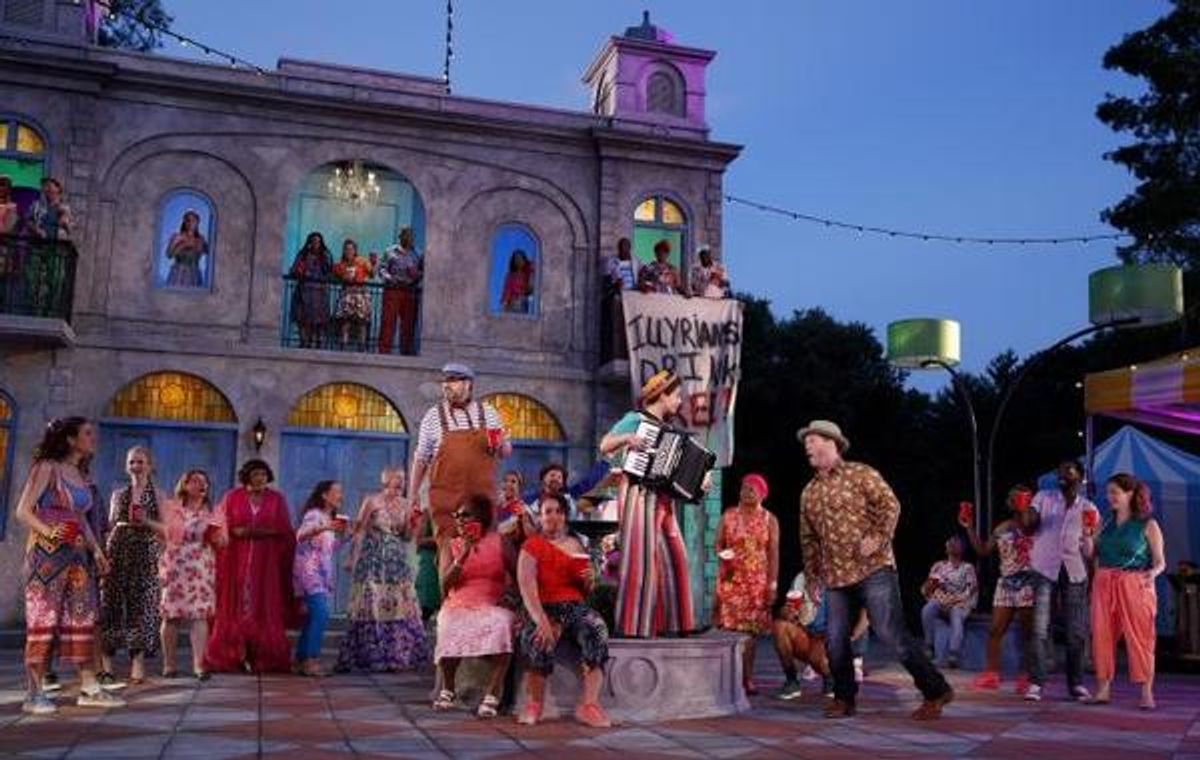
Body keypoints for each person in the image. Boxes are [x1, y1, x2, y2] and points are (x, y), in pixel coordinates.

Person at [798, 419, 953, 720]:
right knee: (835, 637)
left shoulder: (861, 474)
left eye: (813, 439)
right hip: (836, 575)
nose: (807, 445)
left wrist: (880, 537)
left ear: (832, 443)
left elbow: (890, 504)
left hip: (874, 568)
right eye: (806, 441)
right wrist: (813, 576)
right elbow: (808, 539)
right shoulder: (809, 493)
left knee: (889, 631)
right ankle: (844, 698)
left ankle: (936, 690)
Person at [15, 417, 125, 714]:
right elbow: (23, 511)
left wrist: (98, 552)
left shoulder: (80, 475)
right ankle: (33, 693)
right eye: (88, 433)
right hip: (46, 559)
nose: (93, 438)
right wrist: (48, 530)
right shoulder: (46, 468)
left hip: (78, 558)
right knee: (44, 620)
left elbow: (80, 519)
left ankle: (89, 687)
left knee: (82, 618)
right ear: (70, 439)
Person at [599, 370, 708, 637]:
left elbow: (677, 470)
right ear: (662, 395)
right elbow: (605, 445)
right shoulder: (635, 419)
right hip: (639, 493)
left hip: (663, 499)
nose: (680, 401)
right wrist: (628, 439)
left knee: (676, 555)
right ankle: (633, 625)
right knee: (641, 561)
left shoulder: (669, 430)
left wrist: (697, 483)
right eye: (677, 396)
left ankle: (679, 623)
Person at [516, 493, 612, 727]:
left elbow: (585, 590)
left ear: (565, 516)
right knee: (537, 638)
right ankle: (534, 704)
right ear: (539, 517)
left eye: (558, 511)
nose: (554, 517)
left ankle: (589, 705)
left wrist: (590, 579)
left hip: (574, 606)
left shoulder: (576, 544)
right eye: (548, 512)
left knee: (596, 628)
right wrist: (542, 621)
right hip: (543, 607)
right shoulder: (532, 546)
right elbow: (527, 587)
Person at [205, 459, 298, 674]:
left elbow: (284, 530)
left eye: (264, 475)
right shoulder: (232, 497)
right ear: (247, 476)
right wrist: (232, 533)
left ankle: (262, 656)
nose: (261, 478)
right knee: (237, 604)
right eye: (256, 474)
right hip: (235, 560)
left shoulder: (276, 499)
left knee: (261, 605)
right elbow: (218, 526)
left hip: (265, 563)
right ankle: (236, 654)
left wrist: (256, 532)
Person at [1083, 473, 1166, 709]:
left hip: (1134, 583)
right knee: (1101, 634)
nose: (1110, 497)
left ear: (1130, 494)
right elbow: (1090, 554)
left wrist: (1153, 573)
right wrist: (1086, 535)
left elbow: (1161, 561)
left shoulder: (1148, 524)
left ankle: (1146, 693)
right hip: (1104, 581)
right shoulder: (1104, 523)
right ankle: (1103, 689)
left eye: (1114, 493)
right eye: (1108, 493)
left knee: (1141, 638)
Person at [1020, 460, 1099, 703]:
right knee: (1041, 628)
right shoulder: (1043, 497)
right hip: (1045, 568)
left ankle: (1075, 683)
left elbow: (1090, 552)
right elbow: (1028, 525)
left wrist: (1087, 536)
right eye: (1060, 471)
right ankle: (1036, 682)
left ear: (1080, 477)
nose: (1063, 474)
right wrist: (1027, 510)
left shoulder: (1090, 508)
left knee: (1076, 631)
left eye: (1069, 470)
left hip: (1074, 571)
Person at [336, 468, 430, 672]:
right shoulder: (372, 500)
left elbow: (405, 536)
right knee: (372, 605)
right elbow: (360, 530)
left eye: (404, 479)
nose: (402, 483)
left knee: (398, 606)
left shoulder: (406, 504)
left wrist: (415, 524)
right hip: (373, 559)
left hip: (396, 561)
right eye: (398, 478)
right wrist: (352, 557)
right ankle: (369, 655)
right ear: (386, 479)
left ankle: (397, 655)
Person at [433, 494, 516, 719]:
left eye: (465, 514)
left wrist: (512, 596)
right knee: (448, 623)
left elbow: (520, 574)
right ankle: (448, 689)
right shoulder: (451, 545)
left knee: (502, 622)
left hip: (492, 602)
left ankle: (492, 694)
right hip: (458, 603)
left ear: (482, 517)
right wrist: (464, 554)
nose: (459, 519)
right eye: (456, 515)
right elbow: (445, 585)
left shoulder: (500, 541)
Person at [410, 363, 511, 545]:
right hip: (446, 504)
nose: (447, 385)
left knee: (484, 554)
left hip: (482, 503)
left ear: (468, 384)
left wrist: (502, 443)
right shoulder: (433, 416)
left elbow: (505, 452)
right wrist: (413, 495)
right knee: (449, 556)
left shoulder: (488, 413)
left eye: (454, 380)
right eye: (445, 381)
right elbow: (421, 458)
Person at [99, 445, 168, 687]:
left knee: (142, 606)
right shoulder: (118, 494)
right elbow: (109, 524)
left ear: (150, 465)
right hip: (118, 549)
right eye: (132, 462)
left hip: (145, 552)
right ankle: (106, 665)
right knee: (112, 604)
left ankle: (137, 662)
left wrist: (146, 520)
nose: (136, 466)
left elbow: (167, 530)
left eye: (140, 462)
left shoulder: (158, 494)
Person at [962, 485, 1036, 693]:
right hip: (1006, 583)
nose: (1016, 501)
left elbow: (1029, 526)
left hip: (1028, 582)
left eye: (1020, 498)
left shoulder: (1034, 523)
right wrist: (968, 527)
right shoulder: (1002, 527)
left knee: (1027, 632)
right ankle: (991, 674)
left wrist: (1026, 508)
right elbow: (983, 550)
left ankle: (1025, 676)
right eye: (1014, 498)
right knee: (995, 630)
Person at [714, 473, 779, 695]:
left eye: (751, 489)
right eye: (743, 488)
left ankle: (747, 678)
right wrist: (725, 556)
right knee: (730, 631)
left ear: (762, 493)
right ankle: (729, 678)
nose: (745, 493)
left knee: (750, 635)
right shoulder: (729, 515)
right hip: (732, 580)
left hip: (756, 584)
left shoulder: (769, 519)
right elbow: (718, 544)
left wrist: (772, 585)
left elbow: (773, 554)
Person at [158, 469, 222, 681]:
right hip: (176, 564)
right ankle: (169, 665)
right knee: (171, 615)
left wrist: (217, 536)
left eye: (204, 482)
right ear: (185, 485)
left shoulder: (214, 510)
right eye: (195, 481)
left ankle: (198, 665)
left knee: (199, 616)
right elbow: (163, 533)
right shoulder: (171, 507)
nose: (201, 485)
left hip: (201, 566)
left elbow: (224, 541)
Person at [293, 480, 347, 677]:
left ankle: (301, 659)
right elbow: (300, 536)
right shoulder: (314, 515)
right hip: (309, 571)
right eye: (337, 492)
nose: (341, 496)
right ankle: (311, 660)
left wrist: (345, 535)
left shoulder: (328, 517)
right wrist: (324, 527)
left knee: (314, 616)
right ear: (325, 495)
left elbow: (328, 549)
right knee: (321, 614)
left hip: (321, 574)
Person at [919, 537, 977, 669]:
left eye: (956, 544)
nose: (953, 546)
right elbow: (926, 589)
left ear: (962, 549)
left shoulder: (967, 567)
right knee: (928, 609)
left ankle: (953, 654)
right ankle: (929, 646)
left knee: (956, 613)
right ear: (946, 548)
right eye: (950, 544)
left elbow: (971, 589)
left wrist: (953, 601)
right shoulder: (939, 566)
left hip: (960, 603)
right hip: (942, 601)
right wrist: (931, 585)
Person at [774, 571, 832, 700]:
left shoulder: (842, 577)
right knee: (780, 626)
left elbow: (862, 612)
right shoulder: (802, 577)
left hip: (829, 638)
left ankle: (831, 679)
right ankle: (791, 680)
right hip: (807, 633)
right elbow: (787, 607)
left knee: (821, 658)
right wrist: (785, 612)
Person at [377, 227, 423, 354]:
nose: (410, 238)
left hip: (410, 291)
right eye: (406, 235)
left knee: (408, 324)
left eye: (412, 236)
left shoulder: (418, 254)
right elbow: (381, 269)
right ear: (400, 236)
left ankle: (406, 351)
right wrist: (390, 278)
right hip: (393, 289)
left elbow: (424, 272)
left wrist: (416, 274)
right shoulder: (390, 251)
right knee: (388, 322)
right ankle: (384, 351)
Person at [289, 231, 333, 349]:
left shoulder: (325, 255)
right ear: (309, 242)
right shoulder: (303, 255)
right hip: (303, 291)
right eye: (313, 241)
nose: (315, 244)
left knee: (318, 319)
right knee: (301, 316)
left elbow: (329, 273)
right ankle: (304, 341)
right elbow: (294, 269)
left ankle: (317, 342)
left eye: (318, 241)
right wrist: (299, 271)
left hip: (319, 292)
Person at [600, 237, 640, 361]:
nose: (624, 250)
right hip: (618, 298)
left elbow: (642, 277)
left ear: (629, 248)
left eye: (626, 247)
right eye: (621, 247)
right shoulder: (611, 262)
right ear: (619, 249)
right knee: (619, 328)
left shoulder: (637, 262)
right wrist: (615, 285)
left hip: (633, 298)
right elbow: (605, 283)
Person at [332, 238, 374, 350]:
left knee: (362, 322)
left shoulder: (362, 261)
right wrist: (343, 278)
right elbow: (333, 277)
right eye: (346, 249)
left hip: (360, 294)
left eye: (351, 249)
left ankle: (361, 347)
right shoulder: (340, 265)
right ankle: (343, 346)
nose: (349, 251)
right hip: (347, 294)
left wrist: (373, 263)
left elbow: (372, 274)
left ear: (355, 250)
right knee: (345, 322)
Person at [163, 209, 209, 288]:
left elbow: (210, 252)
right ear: (184, 222)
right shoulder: (177, 237)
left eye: (193, 221)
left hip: (195, 274)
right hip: (179, 273)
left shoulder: (201, 239)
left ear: (197, 223)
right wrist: (183, 245)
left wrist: (201, 246)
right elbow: (169, 255)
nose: (191, 223)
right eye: (188, 220)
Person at [525, 463, 576, 528]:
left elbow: (572, 522)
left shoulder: (568, 501)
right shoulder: (532, 501)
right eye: (552, 475)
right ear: (543, 478)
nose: (556, 479)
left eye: (559, 477)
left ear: (562, 483)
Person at [500, 249, 535, 313]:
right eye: (516, 258)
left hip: (523, 302)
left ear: (524, 260)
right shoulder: (510, 275)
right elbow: (507, 290)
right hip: (512, 303)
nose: (518, 260)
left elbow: (530, 288)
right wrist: (504, 304)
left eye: (520, 258)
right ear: (513, 261)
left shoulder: (527, 273)